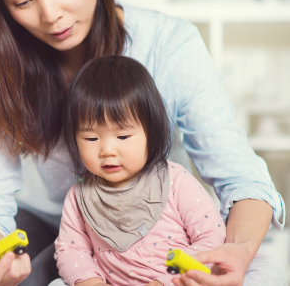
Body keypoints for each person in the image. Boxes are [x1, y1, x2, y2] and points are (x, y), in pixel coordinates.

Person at [0, 0, 286, 285]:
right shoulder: (1, 68)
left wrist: (238, 250)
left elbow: (240, 178)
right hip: (46, 222)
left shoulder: (168, 44)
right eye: (23, 2)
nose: (50, 14)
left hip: (155, 224)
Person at [48, 56, 284, 286]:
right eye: (91, 137)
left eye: (122, 136)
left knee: (266, 270)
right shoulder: (80, 195)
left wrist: (165, 282)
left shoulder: (175, 182)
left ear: (150, 132)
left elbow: (211, 238)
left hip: (179, 281)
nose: (107, 150)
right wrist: (91, 282)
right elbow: (71, 249)